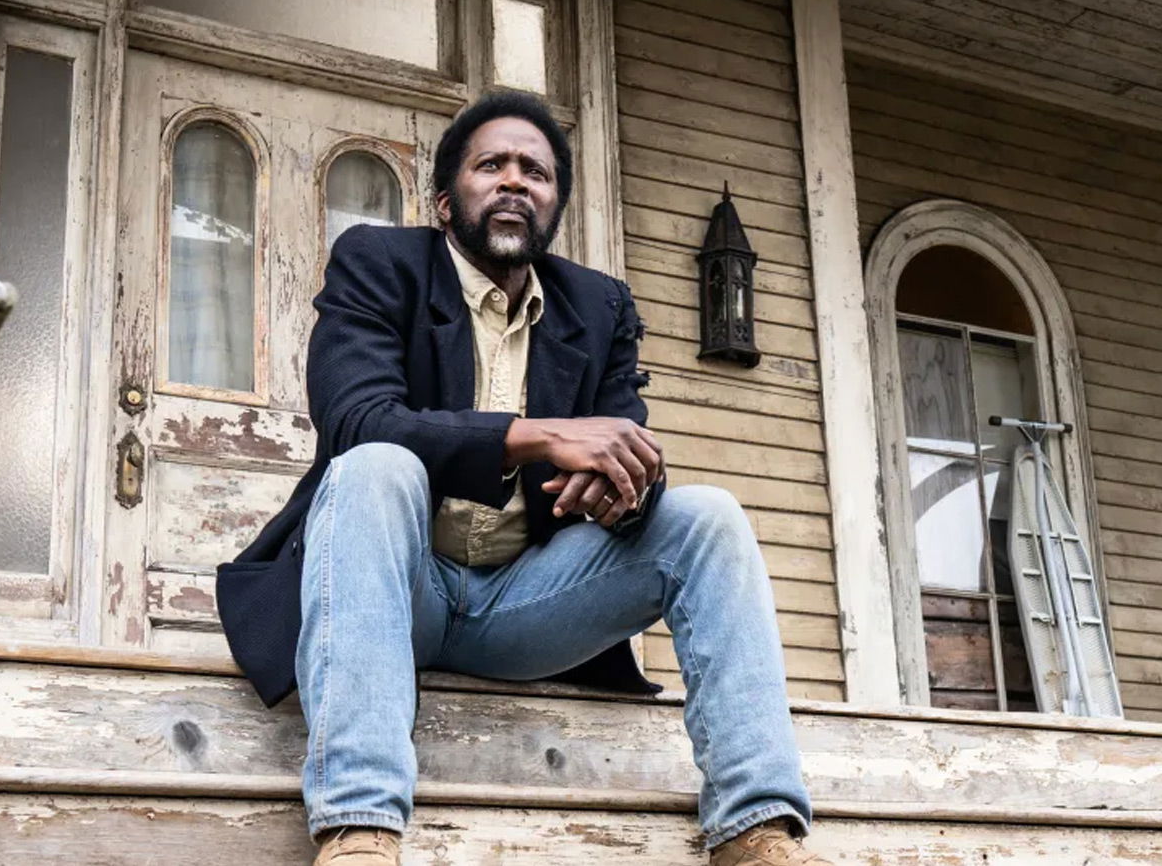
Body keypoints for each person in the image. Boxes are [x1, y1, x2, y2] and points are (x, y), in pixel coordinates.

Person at [215, 90, 822, 865]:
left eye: (535, 171)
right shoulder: (378, 264)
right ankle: (359, 829)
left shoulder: (598, 307)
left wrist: (624, 488)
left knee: (710, 517)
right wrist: (540, 437)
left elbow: (623, 442)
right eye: (491, 165)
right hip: (397, 593)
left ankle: (756, 830)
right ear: (445, 202)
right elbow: (357, 422)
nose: (514, 180)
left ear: (554, 205)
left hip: (526, 604)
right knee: (375, 465)